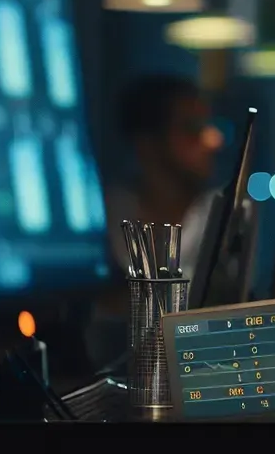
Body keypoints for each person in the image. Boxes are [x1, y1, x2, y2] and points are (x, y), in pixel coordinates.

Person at [90, 74, 222, 367]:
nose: (214, 140)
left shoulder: (219, 216)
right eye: (192, 129)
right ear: (147, 144)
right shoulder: (105, 216)